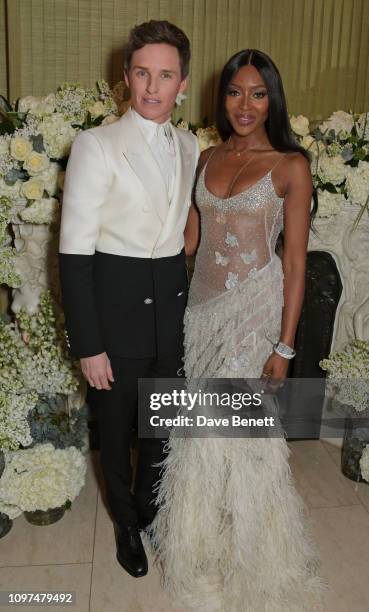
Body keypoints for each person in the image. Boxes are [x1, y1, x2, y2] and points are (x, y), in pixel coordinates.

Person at [148, 50, 324, 610]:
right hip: (200, 315)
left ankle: (256, 552)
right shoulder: (203, 158)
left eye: (257, 94)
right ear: (219, 98)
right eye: (234, 93)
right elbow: (189, 245)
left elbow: (295, 263)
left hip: (254, 315)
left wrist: (285, 345)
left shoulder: (291, 165)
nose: (244, 105)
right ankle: (200, 540)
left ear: (272, 99)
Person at [58, 20, 199, 578]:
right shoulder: (96, 145)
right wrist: (88, 345)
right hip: (115, 319)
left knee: (159, 427)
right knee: (115, 435)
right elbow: (74, 256)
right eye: (142, 72)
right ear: (126, 76)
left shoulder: (190, 146)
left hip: (171, 311)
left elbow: (180, 228)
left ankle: (149, 510)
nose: (152, 86)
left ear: (182, 83)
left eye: (165, 75)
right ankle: (124, 523)